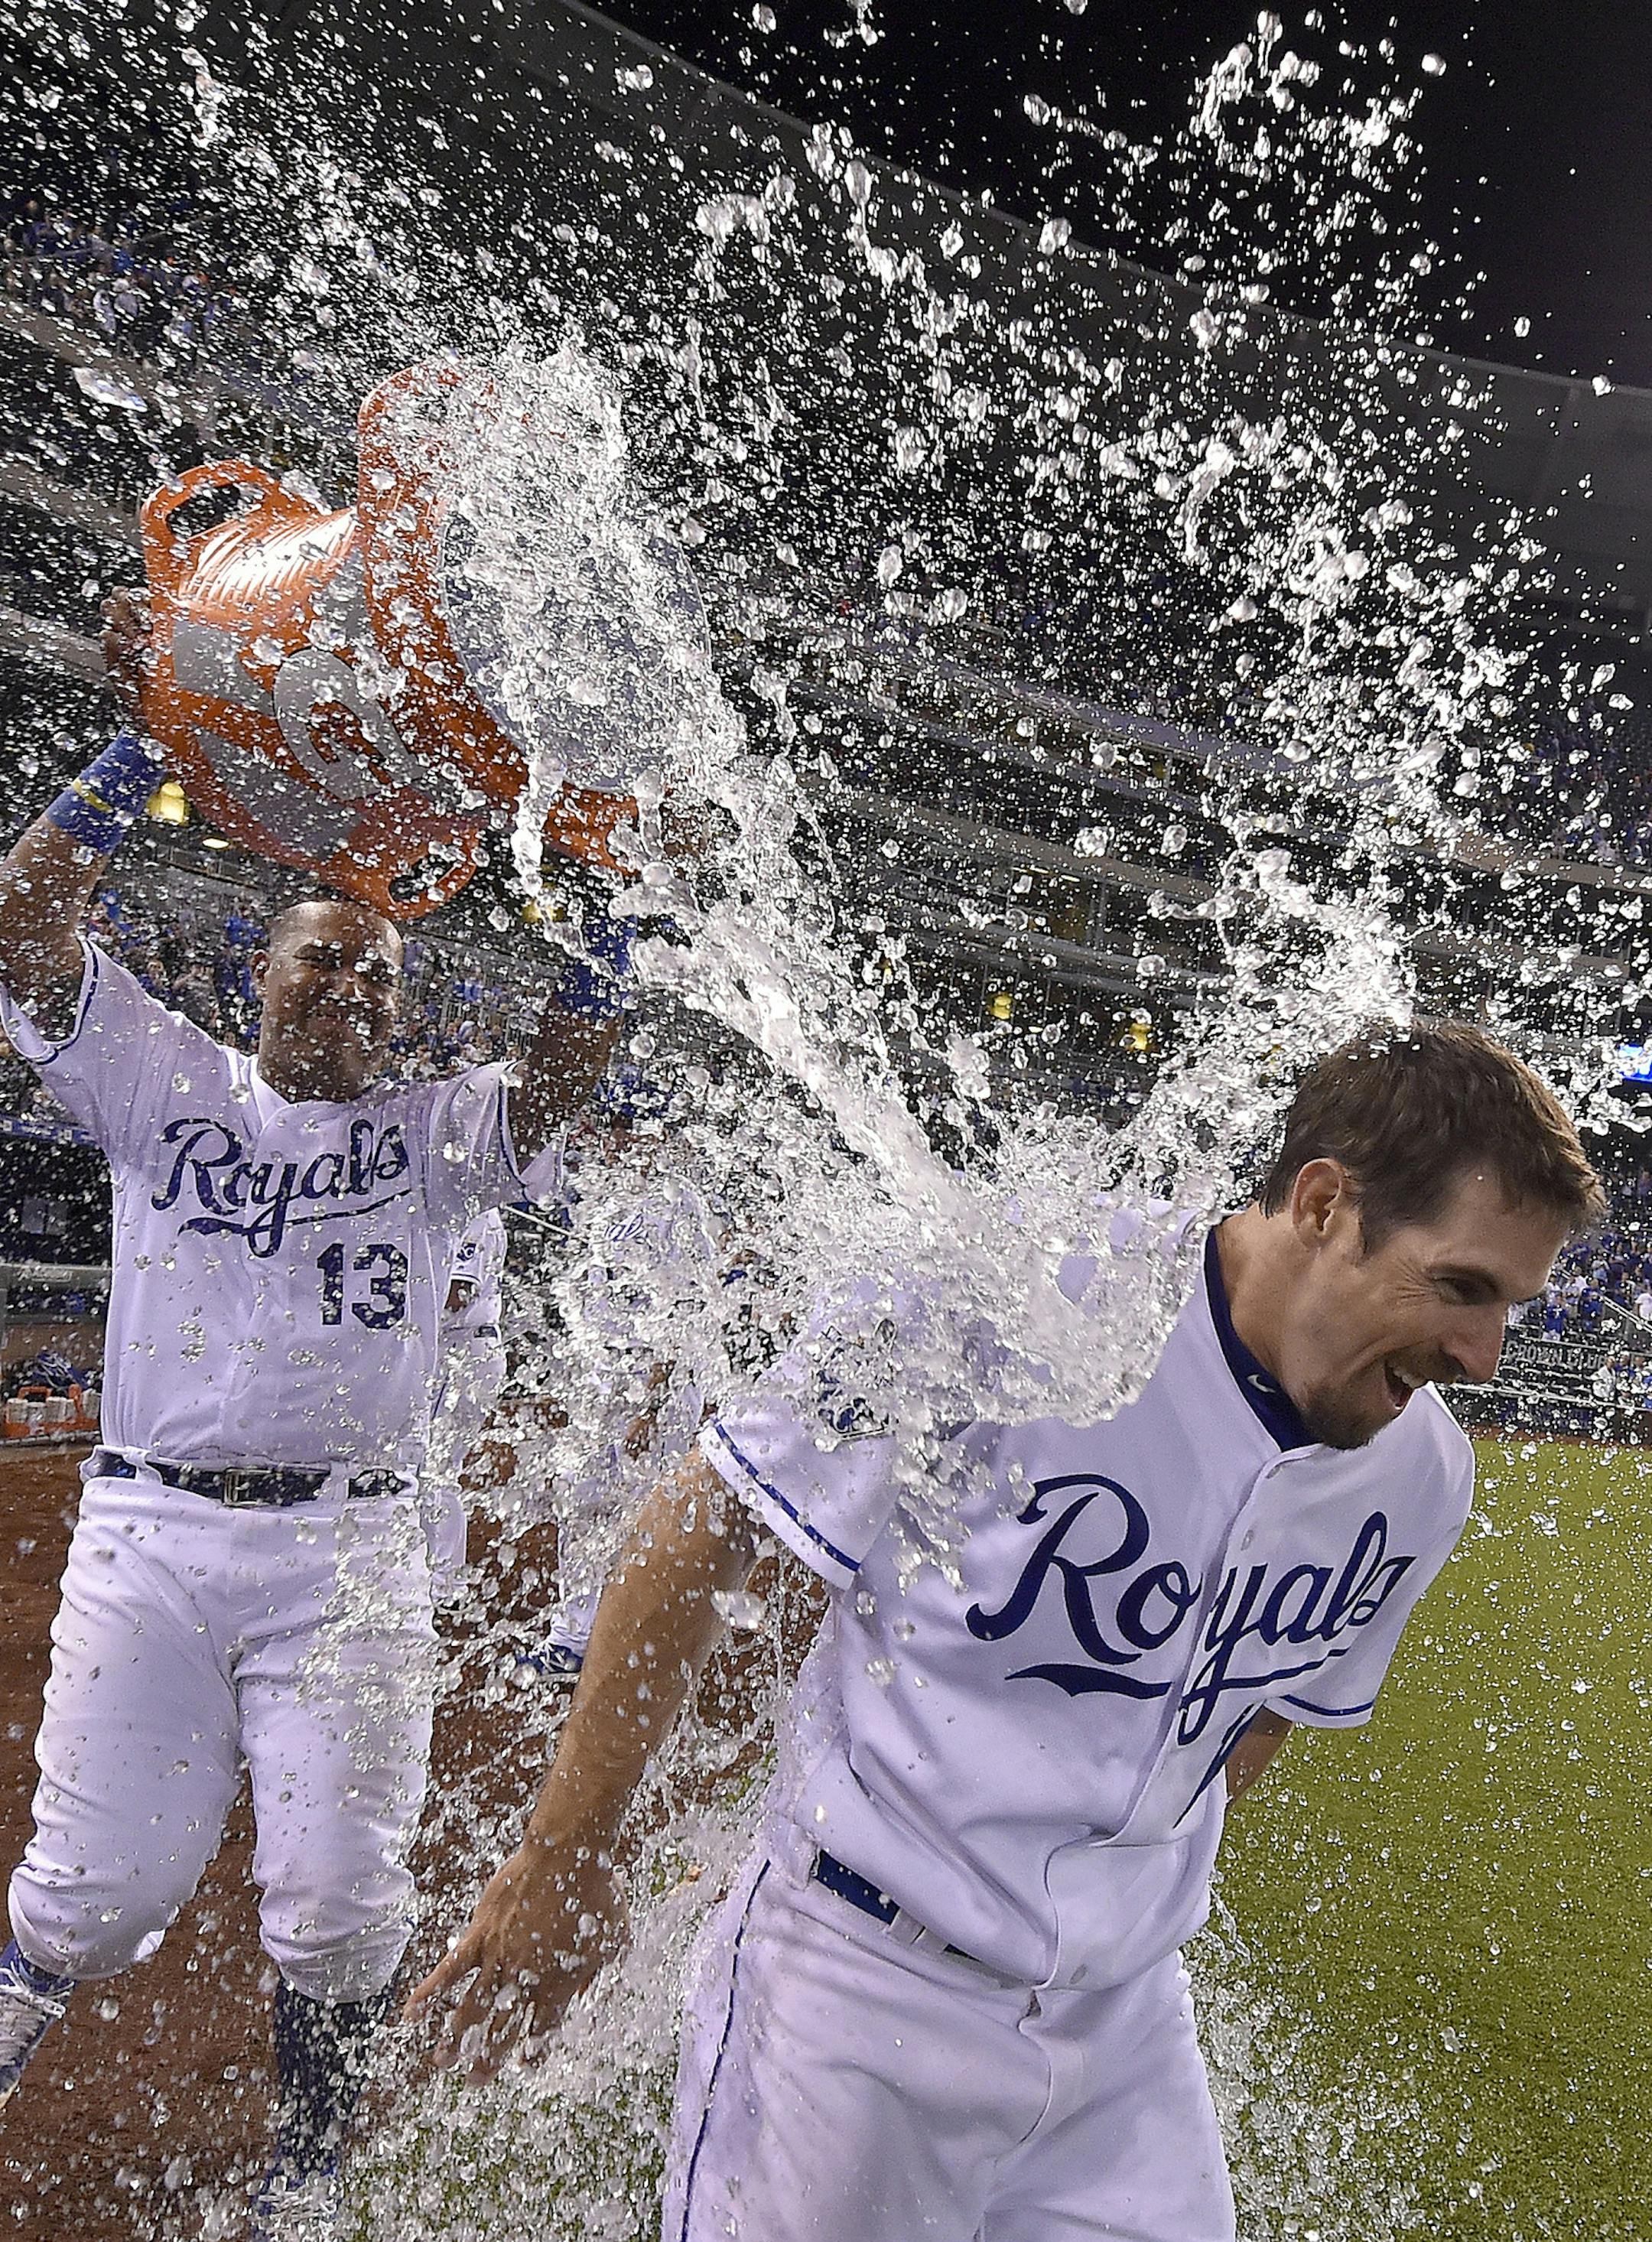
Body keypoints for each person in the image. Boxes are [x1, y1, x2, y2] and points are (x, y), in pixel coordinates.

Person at [411, 1023, 1602, 2242]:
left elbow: (1254, 1722)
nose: (1484, 1354)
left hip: (1125, 2033)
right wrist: (566, 1856)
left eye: (1510, 1304)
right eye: (1461, 1287)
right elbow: (706, 1524)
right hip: (860, 2000)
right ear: (1322, 1203)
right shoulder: (1021, 1289)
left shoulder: (1420, 1480)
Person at [0, 595, 634, 2238]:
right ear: (257, 972)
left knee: (342, 1909)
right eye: (320, 955)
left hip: (351, 1551)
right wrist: (160, 726)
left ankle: (309, 2175)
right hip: (147, 1528)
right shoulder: (170, 1078)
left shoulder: (438, 1134)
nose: (349, 981)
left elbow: (563, 1079)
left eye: (379, 969)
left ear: (407, 1011)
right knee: (92, 1889)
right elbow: (22, 911)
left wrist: (608, 899)